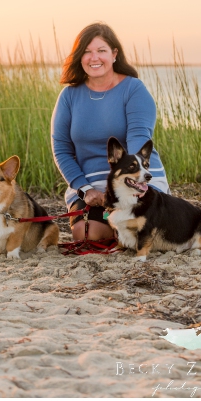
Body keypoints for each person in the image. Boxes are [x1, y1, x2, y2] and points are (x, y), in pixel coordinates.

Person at [50, 22, 169, 241]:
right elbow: (61, 149)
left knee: (139, 230)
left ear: (114, 54)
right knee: (87, 235)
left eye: (101, 51)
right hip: (90, 185)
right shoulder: (68, 96)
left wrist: (122, 192)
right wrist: (85, 189)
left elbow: (138, 144)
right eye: (86, 52)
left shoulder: (134, 90)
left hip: (135, 181)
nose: (94, 58)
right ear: (79, 57)